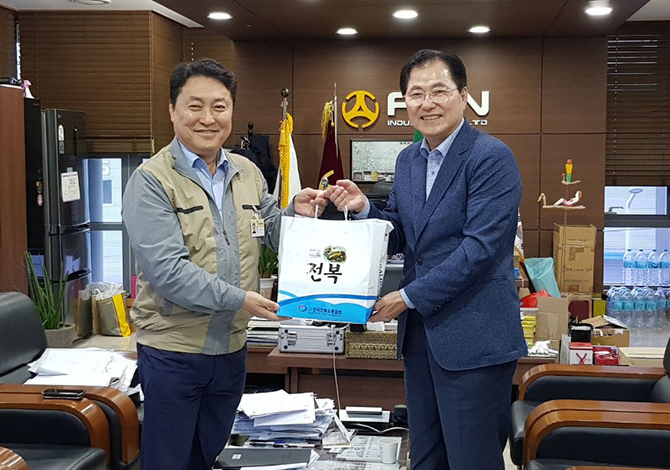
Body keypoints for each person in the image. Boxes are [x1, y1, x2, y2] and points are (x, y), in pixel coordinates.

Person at [325, 49, 527, 469]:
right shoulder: (409, 159)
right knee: (425, 457)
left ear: (463, 96)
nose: (427, 103)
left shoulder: (491, 157)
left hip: (475, 338)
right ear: (405, 102)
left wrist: (406, 297)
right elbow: (402, 232)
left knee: (471, 460)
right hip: (420, 338)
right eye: (416, 94)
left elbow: (480, 249)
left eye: (439, 91)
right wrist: (364, 209)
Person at [122, 59, 325, 470]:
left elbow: (269, 229)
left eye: (219, 106)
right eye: (195, 106)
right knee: (168, 462)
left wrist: (295, 214)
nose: (208, 118)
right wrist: (241, 299)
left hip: (232, 350)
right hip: (174, 352)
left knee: (211, 456)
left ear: (231, 110)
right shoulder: (151, 180)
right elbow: (170, 273)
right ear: (173, 110)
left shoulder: (246, 171)